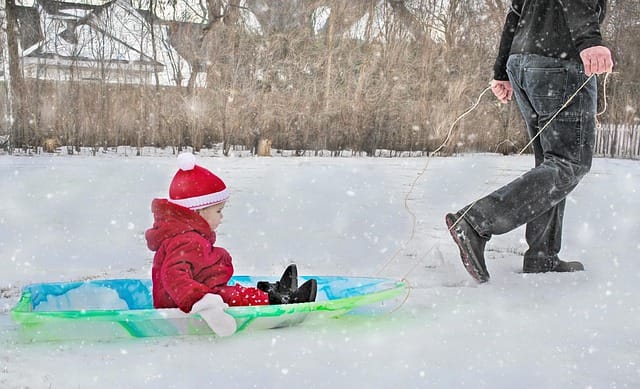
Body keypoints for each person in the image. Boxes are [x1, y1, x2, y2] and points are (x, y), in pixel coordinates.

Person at [446, 0, 613, 282]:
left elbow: (515, 12)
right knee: (569, 163)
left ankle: (542, 256)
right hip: (559, 63)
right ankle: (476, 222)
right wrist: (590, 41)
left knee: (550, 164)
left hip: (524, 63)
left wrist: (502, 70)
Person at [146, 152, 317, 335]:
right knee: (232, 296)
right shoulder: (187, 240)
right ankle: (279, 301)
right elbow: (173, 276)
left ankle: (271, 293)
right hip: (185, 303)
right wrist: (201, 300)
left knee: (231, 291)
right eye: (218, 211)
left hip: (192, 294)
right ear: (198, 212)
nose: (221, 217)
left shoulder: (185, 235)